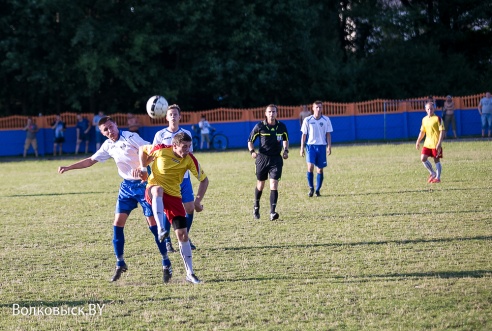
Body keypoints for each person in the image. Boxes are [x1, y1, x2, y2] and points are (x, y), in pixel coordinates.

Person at [58, 116, 172, 283]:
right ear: (103, 133)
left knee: (153, 225)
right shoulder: (108, 145)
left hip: (144, 184)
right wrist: (68, 168)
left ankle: (166, 262)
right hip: (126, 187)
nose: (110, 131)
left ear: (116, 125)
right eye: (106, 129)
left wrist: (142, 168)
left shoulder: (131, 137)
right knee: (117, 223)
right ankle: (120, 263)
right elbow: (90, 161)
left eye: (111, 126)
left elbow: (153, 152)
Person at [136, 132, 209, 284]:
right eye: (184, 147)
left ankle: (190, 273)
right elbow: (142, 149)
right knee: (158, 190)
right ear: (174, 146)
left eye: (189, 146)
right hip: (153, 190)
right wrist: (143, 168)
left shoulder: (190, 159)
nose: (187, 149)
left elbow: (204, 180)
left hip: (174, 197)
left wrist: (198, 200)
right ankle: (161, 228)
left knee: (183, 234)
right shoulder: (161, 149)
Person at [153, 104, 197, 253]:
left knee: (190, 209)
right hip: (166, 180)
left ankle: (185, 236)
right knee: (168, 211)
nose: (173, 116)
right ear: (166, 117)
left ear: (180, 116)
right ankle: (167, 241)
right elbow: (153, 155)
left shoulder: (186, 133)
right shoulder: (160, 135)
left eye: (175, 114)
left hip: (183, 178)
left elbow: (190, 155)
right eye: (170, 114)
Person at [248, 104, 289, 221]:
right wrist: (252, 152)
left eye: (274, 112)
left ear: (277, 113)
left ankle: (272, 212)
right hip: (262, 159)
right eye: (269, 112)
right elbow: (250, 140)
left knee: (274, 184)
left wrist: (286, 151)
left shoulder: (281, 127)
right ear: (266, 113)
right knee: (260, 185)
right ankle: (256, 207)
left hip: (276, 159)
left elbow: (286, 139)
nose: (272, 114)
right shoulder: (259, 126)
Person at [300, 101, 333, 197]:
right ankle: (311, 188)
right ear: (313, 108)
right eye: (317, 107)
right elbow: (304, 135)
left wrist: (329, 146)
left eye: (320, 107)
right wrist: (302, 148)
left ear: (322, 108)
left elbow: (328, 134)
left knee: (320, 170)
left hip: (321, 147)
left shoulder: (326, 120)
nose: (318, 109)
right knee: (310, 167)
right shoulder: (308, 120)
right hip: (311, 146)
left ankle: (318, 190)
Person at [415, 102, 444, 183]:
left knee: (436, 160)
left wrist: (439, 143)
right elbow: (422, 131)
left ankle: (438, 178)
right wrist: (418, 141)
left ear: (434, 109)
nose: (430, 110)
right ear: (425, 110)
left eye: (431, 108)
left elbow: (442, 131)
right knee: (423, 158)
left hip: (435, 143)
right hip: (427, 143)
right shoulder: (424, 119)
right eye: (428, 109)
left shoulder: (438, 118)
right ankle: (432, 173)